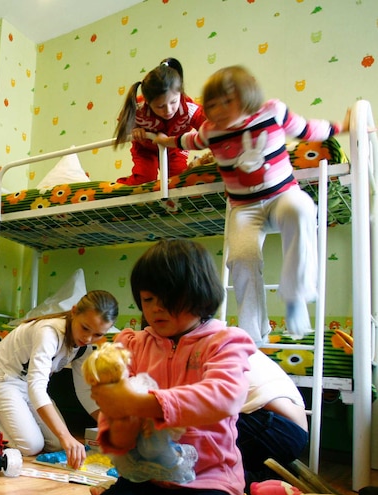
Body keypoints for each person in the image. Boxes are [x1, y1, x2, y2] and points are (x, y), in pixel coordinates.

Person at [67, 239, 255, 495]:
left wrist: (142, 403)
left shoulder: (225, 341)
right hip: (146, 480)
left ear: (200, 294)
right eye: (149, 300)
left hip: (208, 479)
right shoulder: (132, 345)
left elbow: (225, 395)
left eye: (170, 299)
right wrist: (120, 419)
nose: (157, 309)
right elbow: (118, 435)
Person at [154, 65, 347, 343]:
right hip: (244, 208)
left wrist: (344, 126)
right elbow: (189, 140)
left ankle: (295, 296)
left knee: (302, 208)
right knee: (241, 259)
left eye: (227, 101)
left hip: (281, 196)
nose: (219, 110)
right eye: (212, 105)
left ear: (247, 96)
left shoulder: (272, 112)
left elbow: (307, 129)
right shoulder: (211, 131)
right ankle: (253, 335)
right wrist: (166, 141)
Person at [0, 290, 118, 469]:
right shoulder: (49, 332)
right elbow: (37, 387)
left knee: (57, 444)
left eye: (98, 334)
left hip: (29, 385)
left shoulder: (85, 346)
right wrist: (67, 436)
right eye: (85, 328)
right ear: (74, 311)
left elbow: (85, 391)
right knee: (31, 446)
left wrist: (109, 424)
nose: (88, 338)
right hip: (4, 378)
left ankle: (11, 417)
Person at [113, 57, 205, 186]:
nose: (168, 110)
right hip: (145, 148)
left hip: (174, 148)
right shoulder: (139, 108)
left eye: (173, 102)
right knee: (144, 179)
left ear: (180, 93)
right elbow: (124, 125)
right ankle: (117, 191)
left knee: (177, 182)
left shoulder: (188, 109)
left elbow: (209, 128)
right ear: (148, 102)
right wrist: (134, 129)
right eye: (160, 106)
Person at [239, 351, 309, 492]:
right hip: (292, 430)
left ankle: (249, 483)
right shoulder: (235, 340)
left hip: (271, 426)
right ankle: (267, 478)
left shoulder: (199, 347)